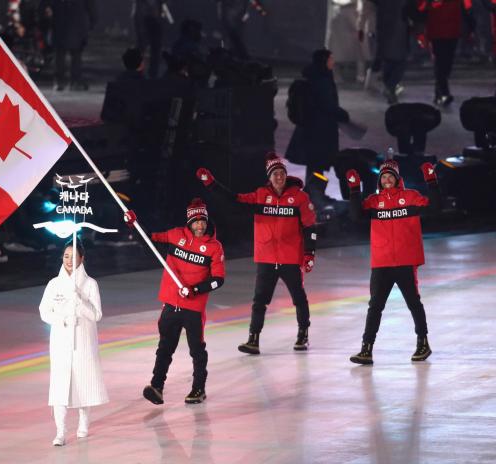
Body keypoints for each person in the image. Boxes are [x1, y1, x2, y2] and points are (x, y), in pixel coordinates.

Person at [197, 154, 317, 354]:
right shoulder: (260, 195)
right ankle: (253, 339)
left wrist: (309, 254)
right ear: (269, 177)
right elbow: (234, 200)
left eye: (281, 173)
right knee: (260, 300)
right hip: (266, 258)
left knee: (298, 297)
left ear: (286, 175)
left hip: (290, 258)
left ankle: (303, 334)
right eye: (275, 174)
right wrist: (211, 184)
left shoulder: (299, 198)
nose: (278, 177)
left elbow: (310, 227)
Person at [124, 198, 225, 405]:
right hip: (171, 304)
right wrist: (134, 225)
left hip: (193, 309)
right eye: (196, 221)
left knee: (196, 350)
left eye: (202, 221)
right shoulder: (175, 235)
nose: (200, 225)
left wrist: (195, 289)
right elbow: (149, 240)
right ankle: (157, 386)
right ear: (189, 222)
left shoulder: (214, 247)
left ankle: (198, 389)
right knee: (165, 348)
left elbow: (218, 280)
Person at [346, 159, 440, 364]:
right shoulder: (372, 201)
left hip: (406, 262)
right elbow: (356, 216)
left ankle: (423, 343)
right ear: (380, 181)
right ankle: (366, 349)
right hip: (382, 263)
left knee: (413, 303)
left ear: (397, 179)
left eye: (391, 176)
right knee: (375, 306)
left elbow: (435, 208)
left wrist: (431, 181)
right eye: (384, 177)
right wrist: (354, 189)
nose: (387, 180)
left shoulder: (411, 197)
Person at [38, 240, 108, 446]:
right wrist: (61, 319)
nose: (69, 260)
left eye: (73, 256)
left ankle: (83, 423)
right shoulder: (54, 284)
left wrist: (80, 301)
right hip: (60, 341)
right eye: (66, 256)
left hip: (83, 341)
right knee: (60, 386)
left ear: (82, 258)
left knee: (82, 383)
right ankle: (60, 431)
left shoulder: (90, 284)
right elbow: (44, 311)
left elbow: (97, 315)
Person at [285, 49, 350, 207]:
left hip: (313, 129)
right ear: (324, 60)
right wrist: (342, 114)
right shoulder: (322, 80)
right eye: (330, 59)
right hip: (320, 131)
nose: (333, 62)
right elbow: (327, 105)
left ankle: (313, 194)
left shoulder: (314, 76)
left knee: (315, 165)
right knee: (318, 165)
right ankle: (315, 196)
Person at [417, 0, 475, 106]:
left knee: (444, 62)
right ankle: (444, 91)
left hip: (446, 30)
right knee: (443, 62)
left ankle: (439, 92)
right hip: (442, 30)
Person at [42, 0, 97, 91]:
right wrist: (92, 23)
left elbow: (45, 5)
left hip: (59, 23)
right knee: (76, 55)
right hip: (76, 24)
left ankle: (59, 82)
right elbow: (91, 8)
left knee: (59, 55)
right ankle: (74, 82)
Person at [133, 0, 167, 79]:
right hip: (145, 17)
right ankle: (137, 72)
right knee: (141, 48)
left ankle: (153, 74)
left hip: (155, 19)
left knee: (155, 49)